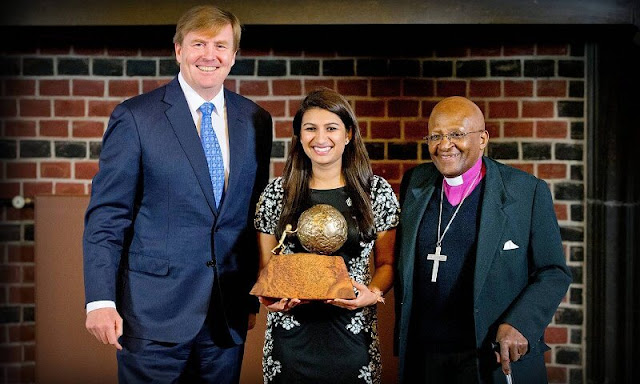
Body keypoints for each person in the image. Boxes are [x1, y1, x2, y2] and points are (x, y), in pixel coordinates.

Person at [82, 5, 272, 382]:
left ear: (233, 55)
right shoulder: (136, 117)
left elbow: (253, 215)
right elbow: (107, 217)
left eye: (220, 45)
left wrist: (250, 296)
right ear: (178, 50)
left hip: (226, 316)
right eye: (198, 43)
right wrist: (100, 300)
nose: (209, 55)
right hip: (152, 315)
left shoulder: (255, 120)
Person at [394, 96, 572, 383]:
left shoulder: (526, 192)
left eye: (457, 134)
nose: (444, 145)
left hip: (487, 354)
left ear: (483, 138)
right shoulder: (416, 182)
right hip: (425, 354)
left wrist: (520, 324)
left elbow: (552, 272)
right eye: (435, 136)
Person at [254, 88, 400, 383]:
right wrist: (270, 299)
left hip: (353, 336)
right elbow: (266, 268)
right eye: (310, 129)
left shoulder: (376, 192)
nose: (320, 139)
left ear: (348, 135)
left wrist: (372, 294)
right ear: (299, 136)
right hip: (290, 337)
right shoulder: (276, 194)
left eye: (331, 128)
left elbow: (387, 264)